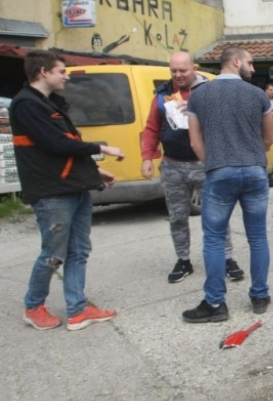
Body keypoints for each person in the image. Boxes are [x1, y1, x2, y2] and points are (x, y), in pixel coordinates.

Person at [10, 50, 126, 331]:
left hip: (73, 186)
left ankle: (78, 309)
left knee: (78, 250)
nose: (66, 77)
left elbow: (67, 144)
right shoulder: (26, 105)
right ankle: (33, 306)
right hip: (51, 191)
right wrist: (102, 149)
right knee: (53, 253)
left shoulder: (50, 103)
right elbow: (56, 144)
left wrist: (94, 171)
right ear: (43, 73)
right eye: (61, 71)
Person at [183, 46, 273, 323]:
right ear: (235, 61)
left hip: (220, 171)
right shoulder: (258, 95)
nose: (253, 68)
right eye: (250, 62)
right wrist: (252, 158)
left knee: (213, 239)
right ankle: (259, 295)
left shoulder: (199, 96)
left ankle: (215, 304)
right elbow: (268, 138)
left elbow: (195, 142)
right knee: (257, 237)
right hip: (255, 172)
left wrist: (213, 163)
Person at [142, 52, 245, 284]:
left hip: (206, 164)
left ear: (194, 68)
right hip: (172, 165)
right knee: (177, 217)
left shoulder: (210, 90)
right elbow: (151, 128)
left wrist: (199, 108)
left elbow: (228, 120)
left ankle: (227, 258)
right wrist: (147, 157)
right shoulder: (161, 94)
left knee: (217, 215)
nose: (178, 75)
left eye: (183, 71)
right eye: (173, 71)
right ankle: (183, 260)